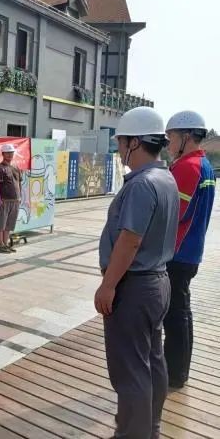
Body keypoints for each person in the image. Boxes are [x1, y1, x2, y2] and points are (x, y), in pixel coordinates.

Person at [95, 107, 179, 439]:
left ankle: (132, 434)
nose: (118, 149)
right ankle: (149, 429)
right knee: (152, 361)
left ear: (134, 142)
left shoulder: (142, 184)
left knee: (130, 371)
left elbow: (130, 240)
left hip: (134, 287)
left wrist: (107, 286)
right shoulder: (166, 178)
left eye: (120, 142)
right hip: (157, 282)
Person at [163, 110, 215, 389]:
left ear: (186, 136)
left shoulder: (187, 167)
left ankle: (174, 372)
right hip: (190, 251)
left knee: (175, 315)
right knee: (182, 311)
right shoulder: (205, 165)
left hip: (177, 253)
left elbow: (175, 213)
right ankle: (178, 368)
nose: (168, 142)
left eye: (171, 136)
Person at [0, 144, 22, 253]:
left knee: (9, 224)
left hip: (15, 200)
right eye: (7, 153)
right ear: (3, 154)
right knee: (1, 224)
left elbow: (19, 183)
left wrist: (20, 197)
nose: (10, 155)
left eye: (11, 153)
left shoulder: (16, 167)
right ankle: (0, 245)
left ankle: (5, 244)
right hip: (4, 201)